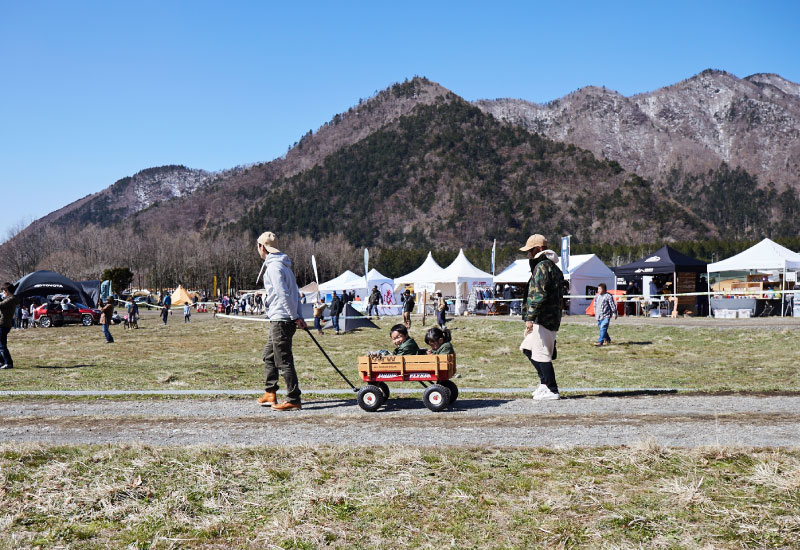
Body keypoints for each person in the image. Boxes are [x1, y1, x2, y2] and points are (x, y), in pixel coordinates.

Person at [254, 231, 306, 411]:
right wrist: (298, 315)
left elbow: (284, 294)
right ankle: (270, 392)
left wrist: (295, 316)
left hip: (282, 319)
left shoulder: (275, 268)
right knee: (269, 354)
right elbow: (296, 294)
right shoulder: (284, 266)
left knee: (283, 359)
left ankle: (293, 398)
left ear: (262, 248)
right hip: (282, 318)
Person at [519, 234, 564, 401]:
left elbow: (539, 295)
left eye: (530, 250)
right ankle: (544, 384)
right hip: (549, 316)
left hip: (543, 317)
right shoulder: (551, 266)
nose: (528, 254)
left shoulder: (543, 267)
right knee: (528, 348)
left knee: (541, 353)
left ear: (538, 249)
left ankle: (551, 388)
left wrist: (530, 318)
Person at [0, 283, 20, 368]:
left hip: (3, 324)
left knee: (2, 344)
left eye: (3, 291)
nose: (3, 293)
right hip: (3, 323)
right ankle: (2, 361)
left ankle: (8, 363)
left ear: (7, 291)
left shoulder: (11, 299)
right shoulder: (9, 299)